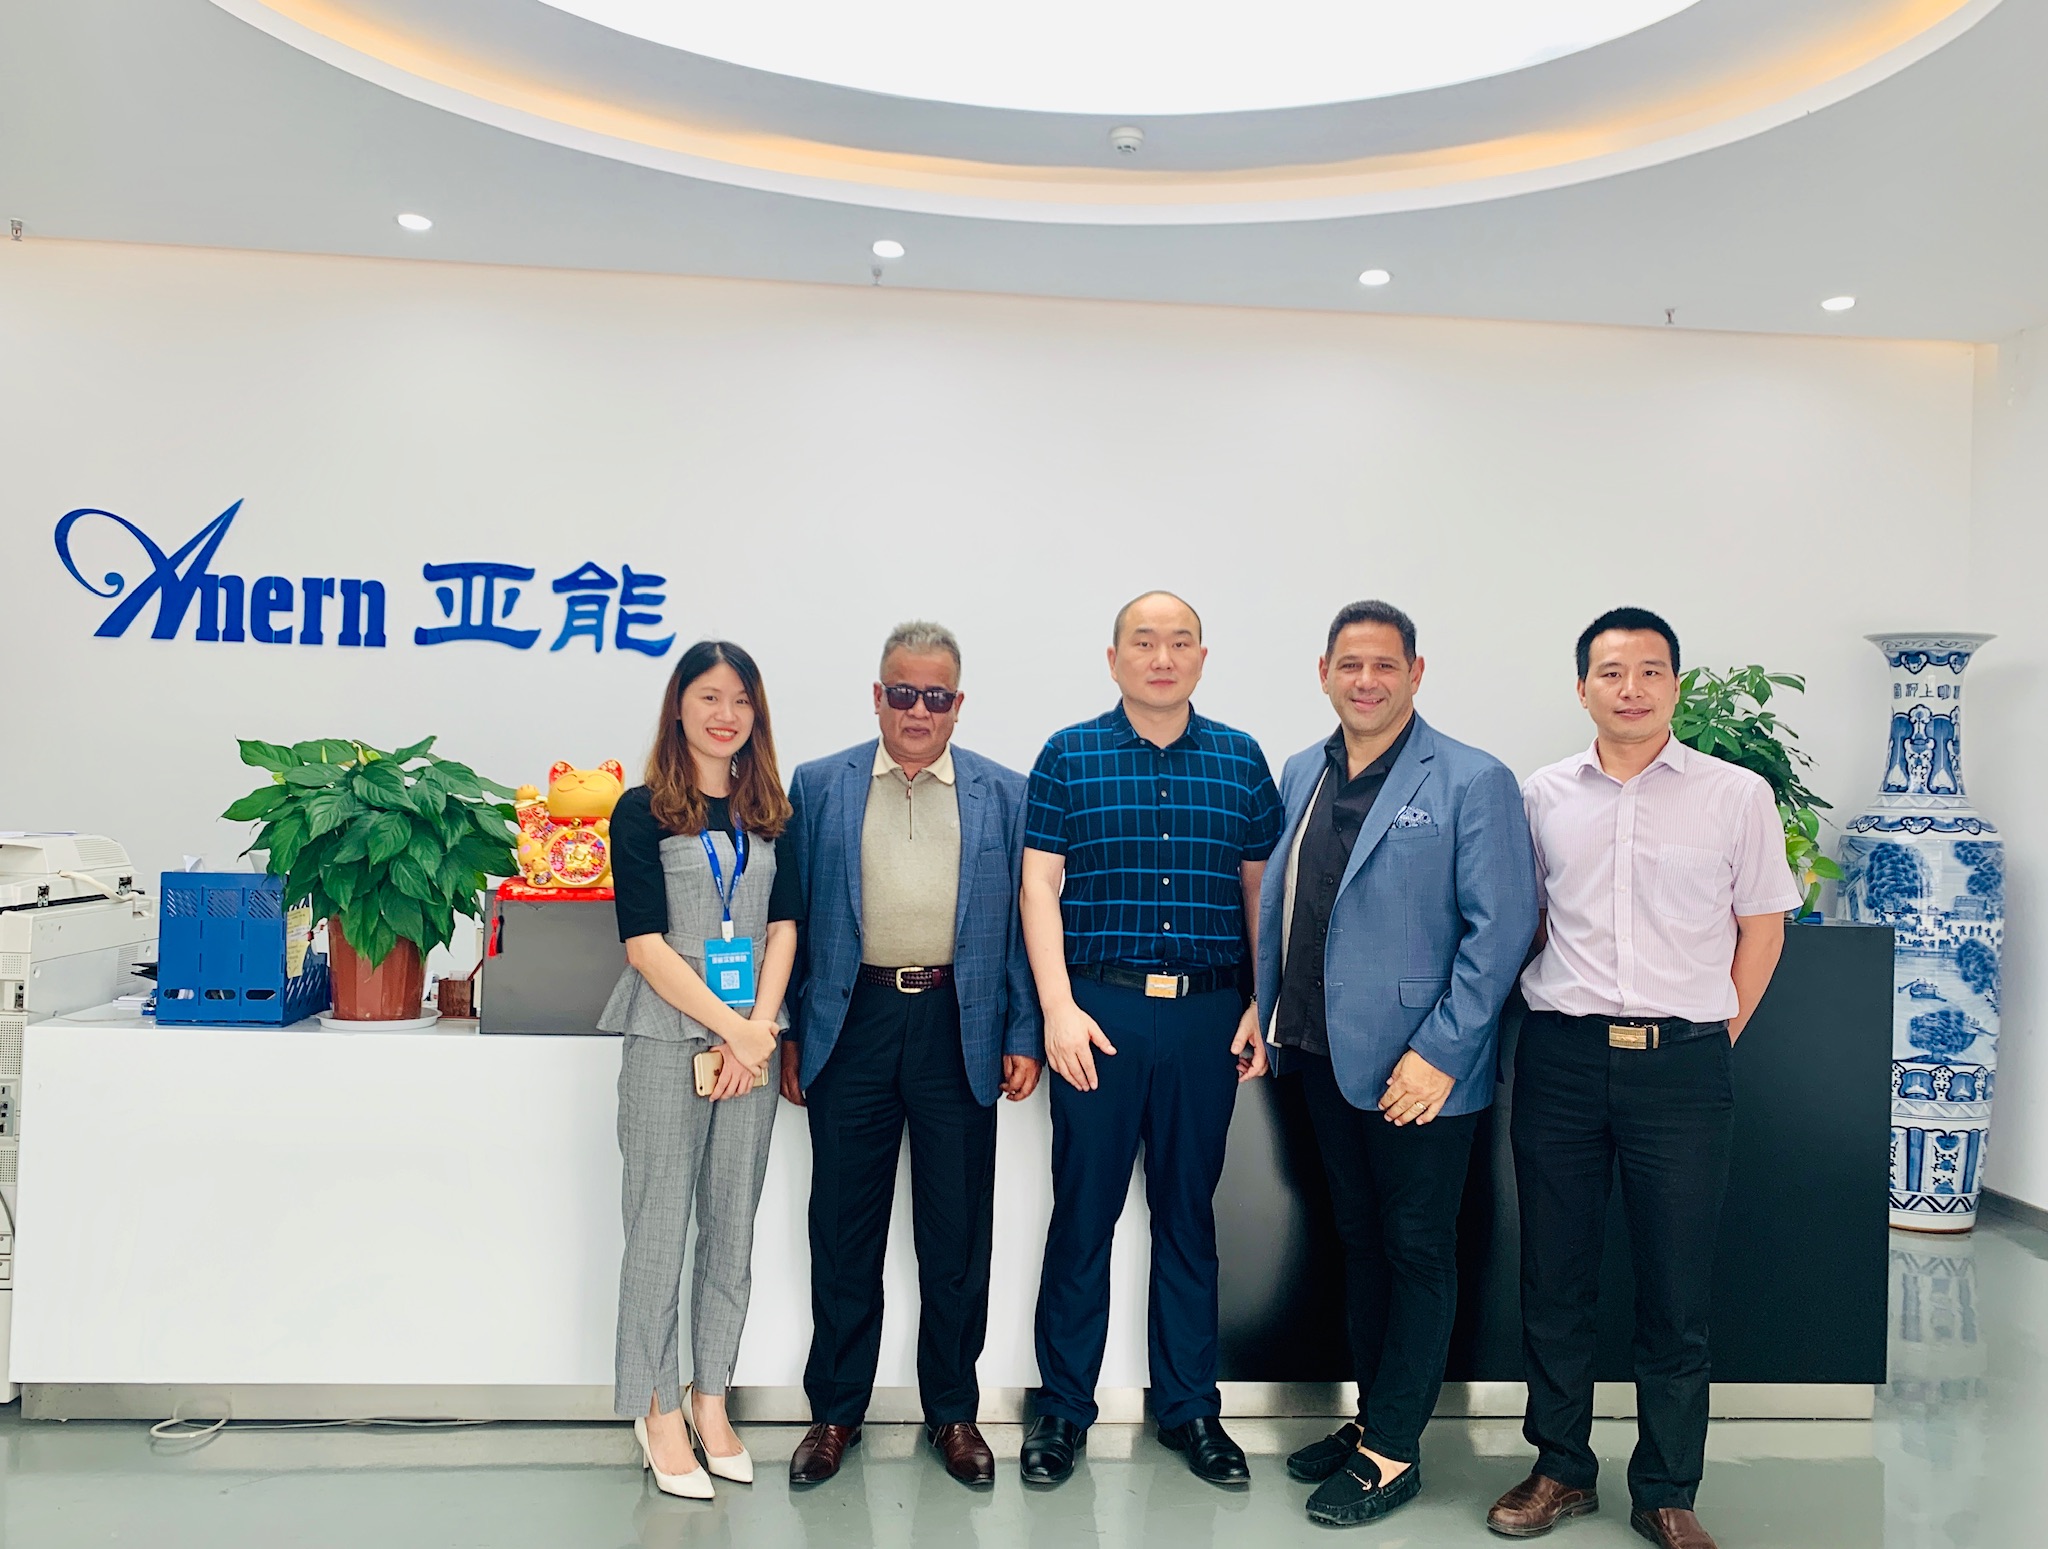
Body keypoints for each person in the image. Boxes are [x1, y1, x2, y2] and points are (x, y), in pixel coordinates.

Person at [1488, 608, 1798, 1549]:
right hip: (1563, 1058)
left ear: (1675, 685)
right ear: (1582, 686)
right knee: (1555, 1275)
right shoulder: (1540, 795)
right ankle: (1560, 1467)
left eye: (1651, 670)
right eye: (1612, 672)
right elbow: (1527, 920)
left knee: (1676, 1286)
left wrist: (1713, 1033)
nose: (1632, 688)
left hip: (1684, 1065)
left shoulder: (1735, 794)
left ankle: (1666, 1486)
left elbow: (1762, 927)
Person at [1255, 600, 1538, 1528]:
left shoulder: (1471, 778)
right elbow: (1290, 904)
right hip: (1319, 1055)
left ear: (1417, 672)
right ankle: (1377, 1416)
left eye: (1385, 664)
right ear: (1324, 673)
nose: (1367, 680)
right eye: (1350, 664)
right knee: (1360, 1241)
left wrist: (1441, 1053)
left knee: (1416, 1248)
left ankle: (1394, 1452)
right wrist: (1266, 1009)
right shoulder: (1301, 770)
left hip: (1420, 1069)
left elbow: (1502, 930)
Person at [1017, 591, 1282, 1489]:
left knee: (1188, 1218)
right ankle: (1062, 1408)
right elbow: (1039, 887)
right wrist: (1057, 1007)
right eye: (1143, 642)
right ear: (1114, 657)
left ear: (1202, 656)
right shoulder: (1068, 753)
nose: (1161, 658)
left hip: (1207, 1015)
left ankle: (1190, 1407)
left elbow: (1260, 893)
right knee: (1082, 1215)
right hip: (1100, 1013)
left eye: (1178, 643)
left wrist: (1261, 1000)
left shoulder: (1241, 759)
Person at [777, 622, 1042, 1489]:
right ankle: (834, 1412)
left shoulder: (1006, 792)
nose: (917, 710)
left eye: (935, 696)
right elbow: (790, 918)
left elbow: (1022, 922)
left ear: (957, 704)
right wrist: (790, 1029)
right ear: (877, 696)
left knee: (956, 1235)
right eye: (902, 692)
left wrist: (1022, 1031)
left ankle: (953, 1412)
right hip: (850, 1023)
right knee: (842, 1229)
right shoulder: (821, 785)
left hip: (957, 1026)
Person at [599, 640, 801, 1500]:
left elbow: (784, 927)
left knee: (730, 1226)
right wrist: (733, 1030)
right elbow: (645, 946)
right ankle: (655, 1409)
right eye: (710, 696)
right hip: (667, 1035)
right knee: (657, 1231)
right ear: (678, 705)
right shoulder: (641, 810)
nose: (726, 714)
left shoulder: (771, 812)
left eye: (741, 700)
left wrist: (756, 1031)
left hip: (749, 1038)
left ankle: (709, 1398)